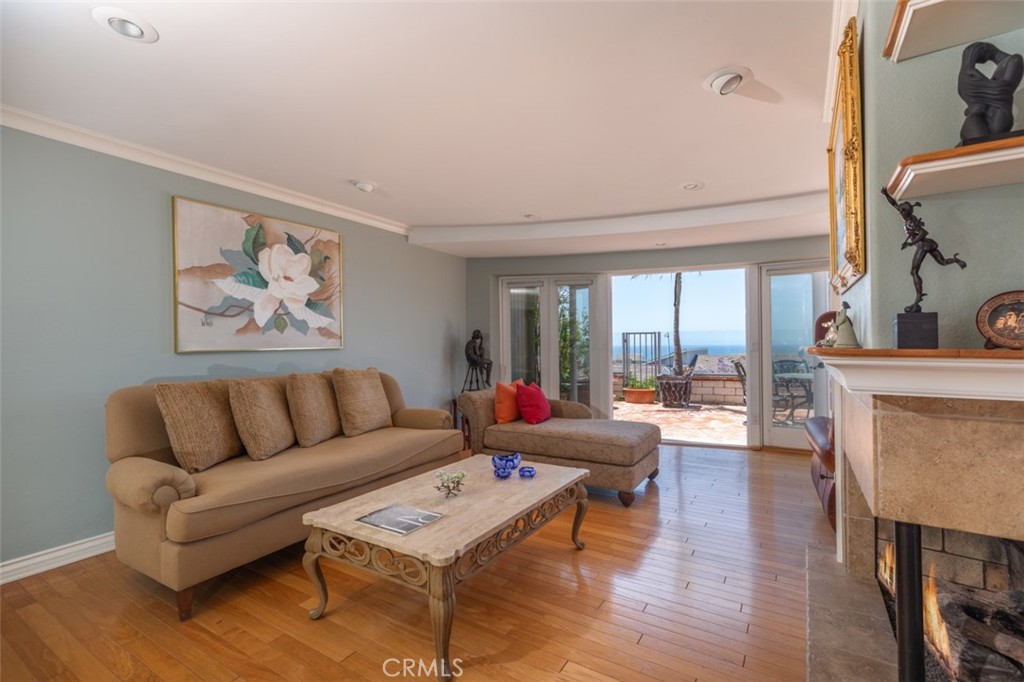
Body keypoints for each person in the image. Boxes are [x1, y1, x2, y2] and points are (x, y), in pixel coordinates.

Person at [881, 188, 966, 313]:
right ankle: (955, 260)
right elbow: (894, 204)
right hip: (929, 244)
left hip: (922, 245)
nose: (900, 212)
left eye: (902, 211)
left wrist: (911, 243)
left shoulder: (911, 221)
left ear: (906, 212)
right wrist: (886, 194)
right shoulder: (906, 217)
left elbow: (924, 232)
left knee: (914, 271)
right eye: (900, 210)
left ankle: (917, 299)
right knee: (942, 262)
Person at [958, 42, 1023, 144]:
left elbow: (1004, 87)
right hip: (988, 119)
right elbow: (1014, 61)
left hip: (989, 118)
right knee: (983, 149)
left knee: (985, 149)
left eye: (979, 58)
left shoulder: (1014, 60)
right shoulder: (1004, 70)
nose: (981, 61)